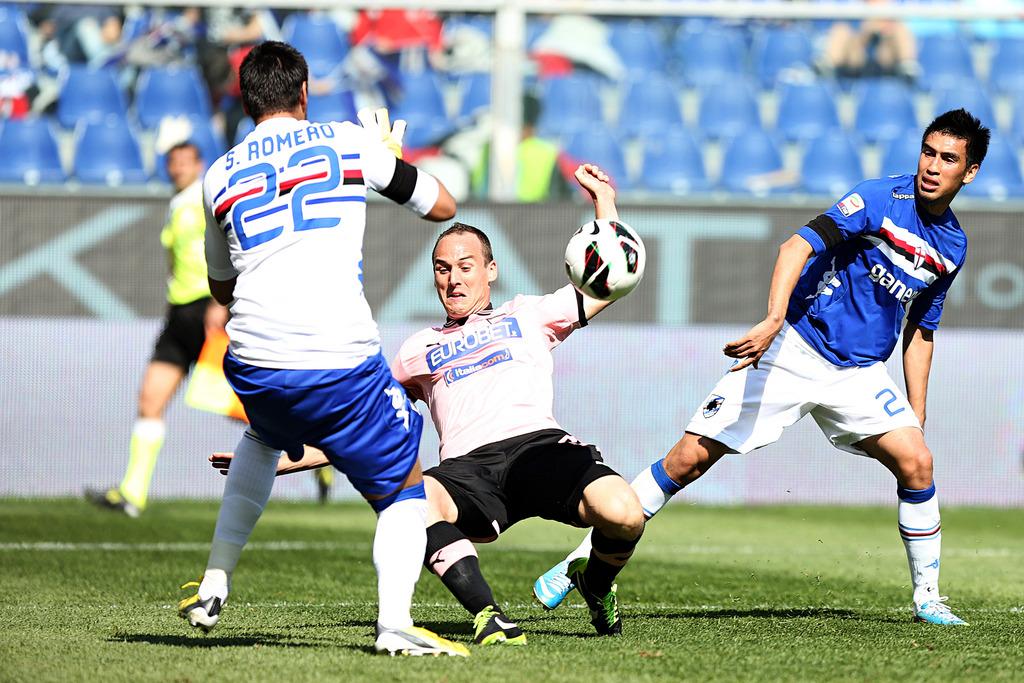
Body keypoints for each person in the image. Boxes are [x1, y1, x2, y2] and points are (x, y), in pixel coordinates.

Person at [534, 109, 989, 628]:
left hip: (858, 373)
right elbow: (796, 245)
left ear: (969, 172)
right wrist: (775, 319)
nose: (932, 166)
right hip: (794, 344)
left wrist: (917, 414)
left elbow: (921, 331)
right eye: (928, 152)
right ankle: (577, 561)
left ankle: (928, 598)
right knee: (687, 461)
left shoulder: (953, 246)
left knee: (918, 463)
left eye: (947, 158)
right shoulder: (882, 198)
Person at [213, 164, 647, 642]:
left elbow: (608, 277)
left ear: (490, 271)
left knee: (625, 513)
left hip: (539, 449)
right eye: (443, 269)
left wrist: (603, 201)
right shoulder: (417, 348)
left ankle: (595, 582)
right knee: (413, 505)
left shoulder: (529, 313)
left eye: (466, 267)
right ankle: (489, 617)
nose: (454, 279)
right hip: (468, 469)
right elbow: (360, 420)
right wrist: (276, 458)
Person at [178, 41, 468, 657]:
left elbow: (220, 286)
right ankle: (394, 625)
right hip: (338, 358)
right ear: (304, 93)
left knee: (261, 437)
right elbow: (444, 206)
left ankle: (214, 582)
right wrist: (386, 159)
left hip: (253, 361)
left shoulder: (218, 174)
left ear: (246, 99)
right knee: (404, 488)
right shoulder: (346, 141)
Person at [86, 142, 228, 518]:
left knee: (253, 405)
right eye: (172, 163)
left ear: (198, 164)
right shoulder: (176, 204)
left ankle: (318, 455)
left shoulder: (205, 197)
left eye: (185, 161)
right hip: (179, 316)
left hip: (209, 311)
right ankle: (133, 494)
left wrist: (221, 303)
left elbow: (228, 245)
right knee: (150, 399)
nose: (178, 168)